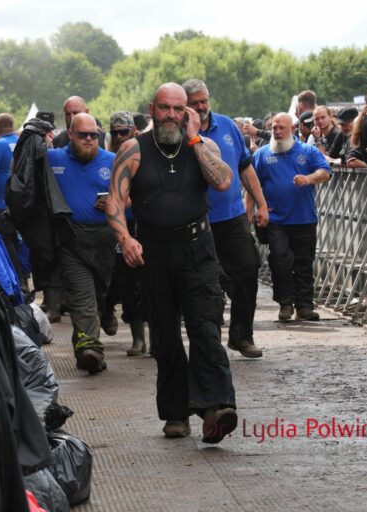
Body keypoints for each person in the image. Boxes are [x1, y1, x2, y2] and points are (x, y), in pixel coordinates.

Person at [105, 83, 238, 443]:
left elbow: (224, 181)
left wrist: (195, 140)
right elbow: (116, 202)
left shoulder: (201, 147)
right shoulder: (133, 149)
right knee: (165, 336)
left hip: (198, 249)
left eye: (179, 110)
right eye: (165, 108)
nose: (171, 116)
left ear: (188, 113)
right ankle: (176, 413)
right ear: (152, 109)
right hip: (153, 252)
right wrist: (125, 239)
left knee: (206, 327)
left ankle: (216, 407)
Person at [183, 78, 268, 359]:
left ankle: (242, 336)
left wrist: (261, 205)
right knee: (204, 281)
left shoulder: (228, 125)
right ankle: (207, 342)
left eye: (204, 101)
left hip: (232, 217)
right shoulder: (178, 132)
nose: (201, 107)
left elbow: (246, 168)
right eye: (194, 103)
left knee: (247, 270)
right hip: (195, 219)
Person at [48, 113, 116, 374]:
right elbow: (23, 169)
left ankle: (88, 340)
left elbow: (132, 199)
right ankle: (91, 350)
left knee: (99, 297)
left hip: (105, 240)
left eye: (94, 135)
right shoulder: (54, 159)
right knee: (82, 297)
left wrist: (115, 202)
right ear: (70, 134)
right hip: (71, 240)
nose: (89, 139)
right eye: (83, 135)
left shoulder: (111, 161)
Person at [252, 113, 331, 322]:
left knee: (304, 263)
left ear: (292, 129)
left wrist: (308, 178)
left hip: (304, 218)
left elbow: (325, 172)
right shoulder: (262, 154)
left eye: (281, 128)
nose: (277, 132)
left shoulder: (308, 151)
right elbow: (251, 183)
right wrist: (254, 210)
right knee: (280, 259)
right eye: (274, 128)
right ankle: (285, 303)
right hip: (276, 219)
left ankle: (305, 306)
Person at [101, 111, 149, 356]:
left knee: (152, 282)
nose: (119, 136)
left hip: (149, 227)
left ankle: (159, 336)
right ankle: (138, 338)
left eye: (124, 132)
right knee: (126, 281)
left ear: (134, 132)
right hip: (121, 231)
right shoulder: (107, 159)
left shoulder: (143, 155)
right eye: (115, 132)